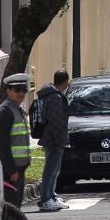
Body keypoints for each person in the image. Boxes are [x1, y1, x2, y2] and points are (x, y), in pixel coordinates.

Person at [0, 73, 31, 208]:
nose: (21, 93)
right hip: (10, 173)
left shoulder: (17, 110)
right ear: (8, 91)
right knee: (8, 213)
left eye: (24, 90)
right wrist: (11, 170)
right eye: (17, 90)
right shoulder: (4, 113)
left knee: (14, 212)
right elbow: (1, 145)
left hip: (18, 171)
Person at [36, 69, 71, 211]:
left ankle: (51, 195)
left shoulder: (48, 95)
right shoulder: (55, 98)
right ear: (64, 82)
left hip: (48, 137)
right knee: (51, 169)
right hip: (53, 139)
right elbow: (57, 123)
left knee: (54, 169)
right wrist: (60, 141)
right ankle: (46, 198)